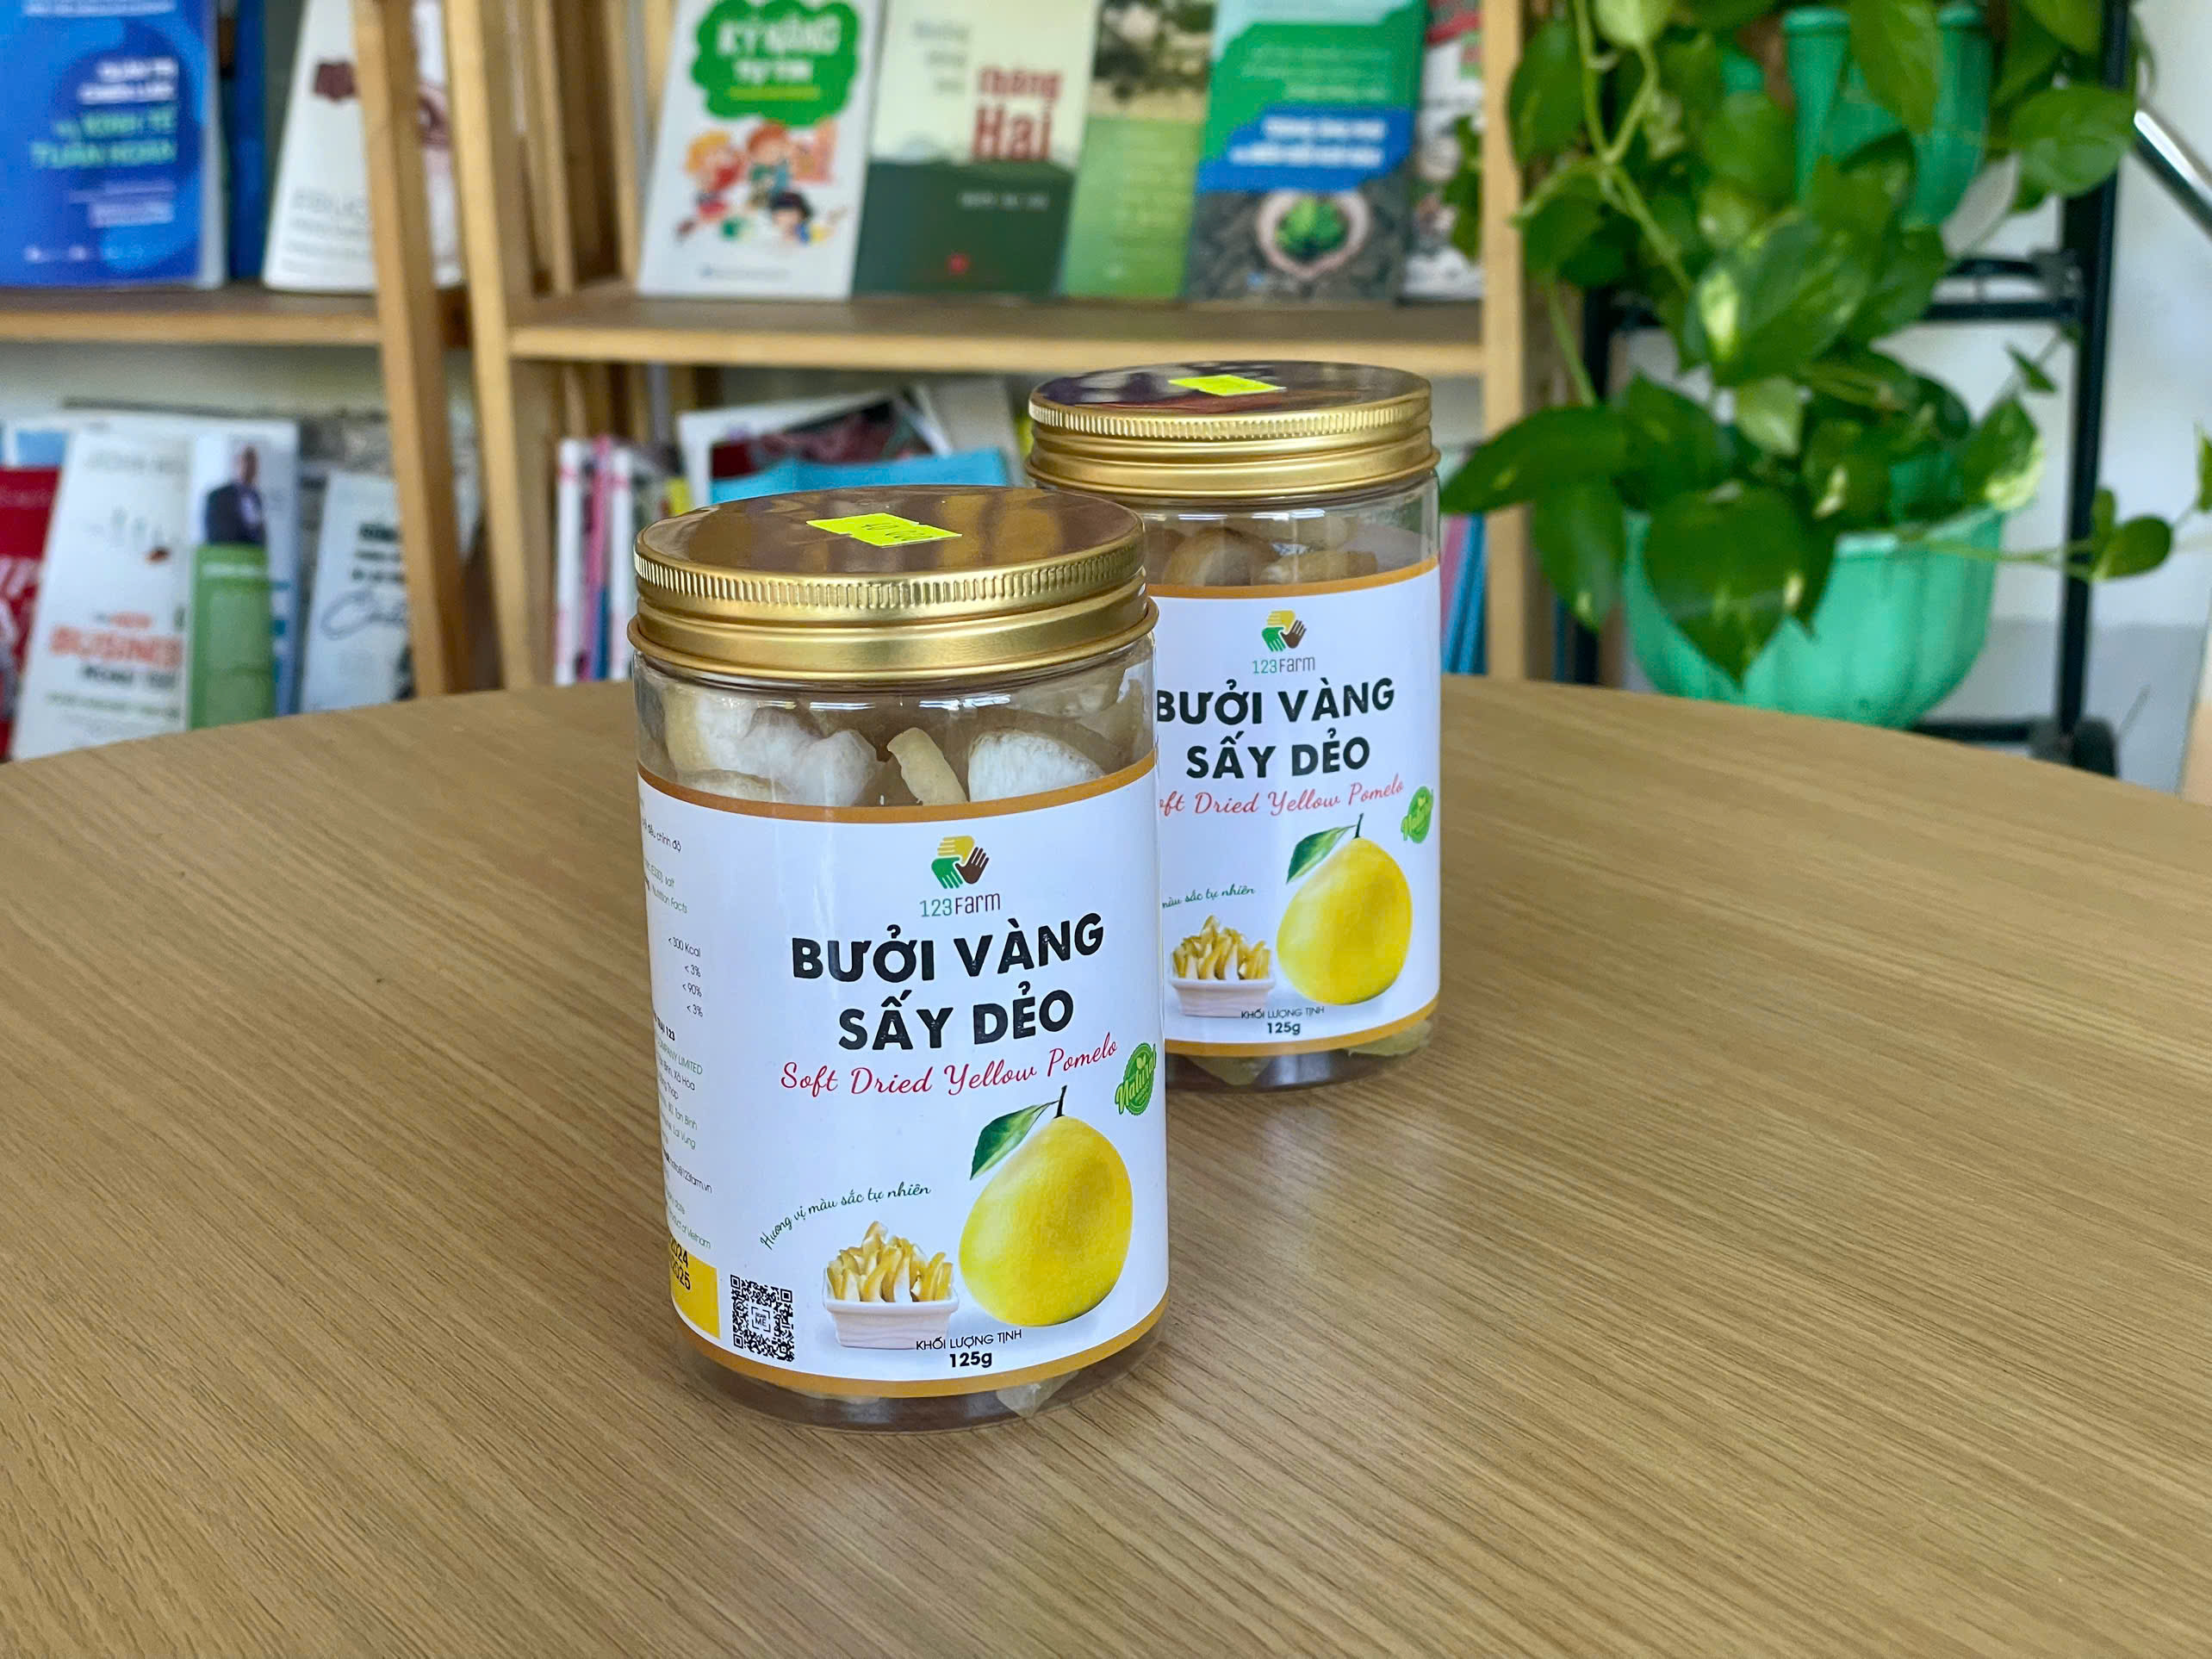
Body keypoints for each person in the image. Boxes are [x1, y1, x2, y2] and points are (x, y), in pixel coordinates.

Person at [203, 444, 266, 546]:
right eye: (246, 462)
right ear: (236, 464)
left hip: (251, 553)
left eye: (253, 465)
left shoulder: (256, 497)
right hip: (226, 552)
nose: (250, 469)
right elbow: (214, 534)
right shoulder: (218, 496)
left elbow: (257, 530)